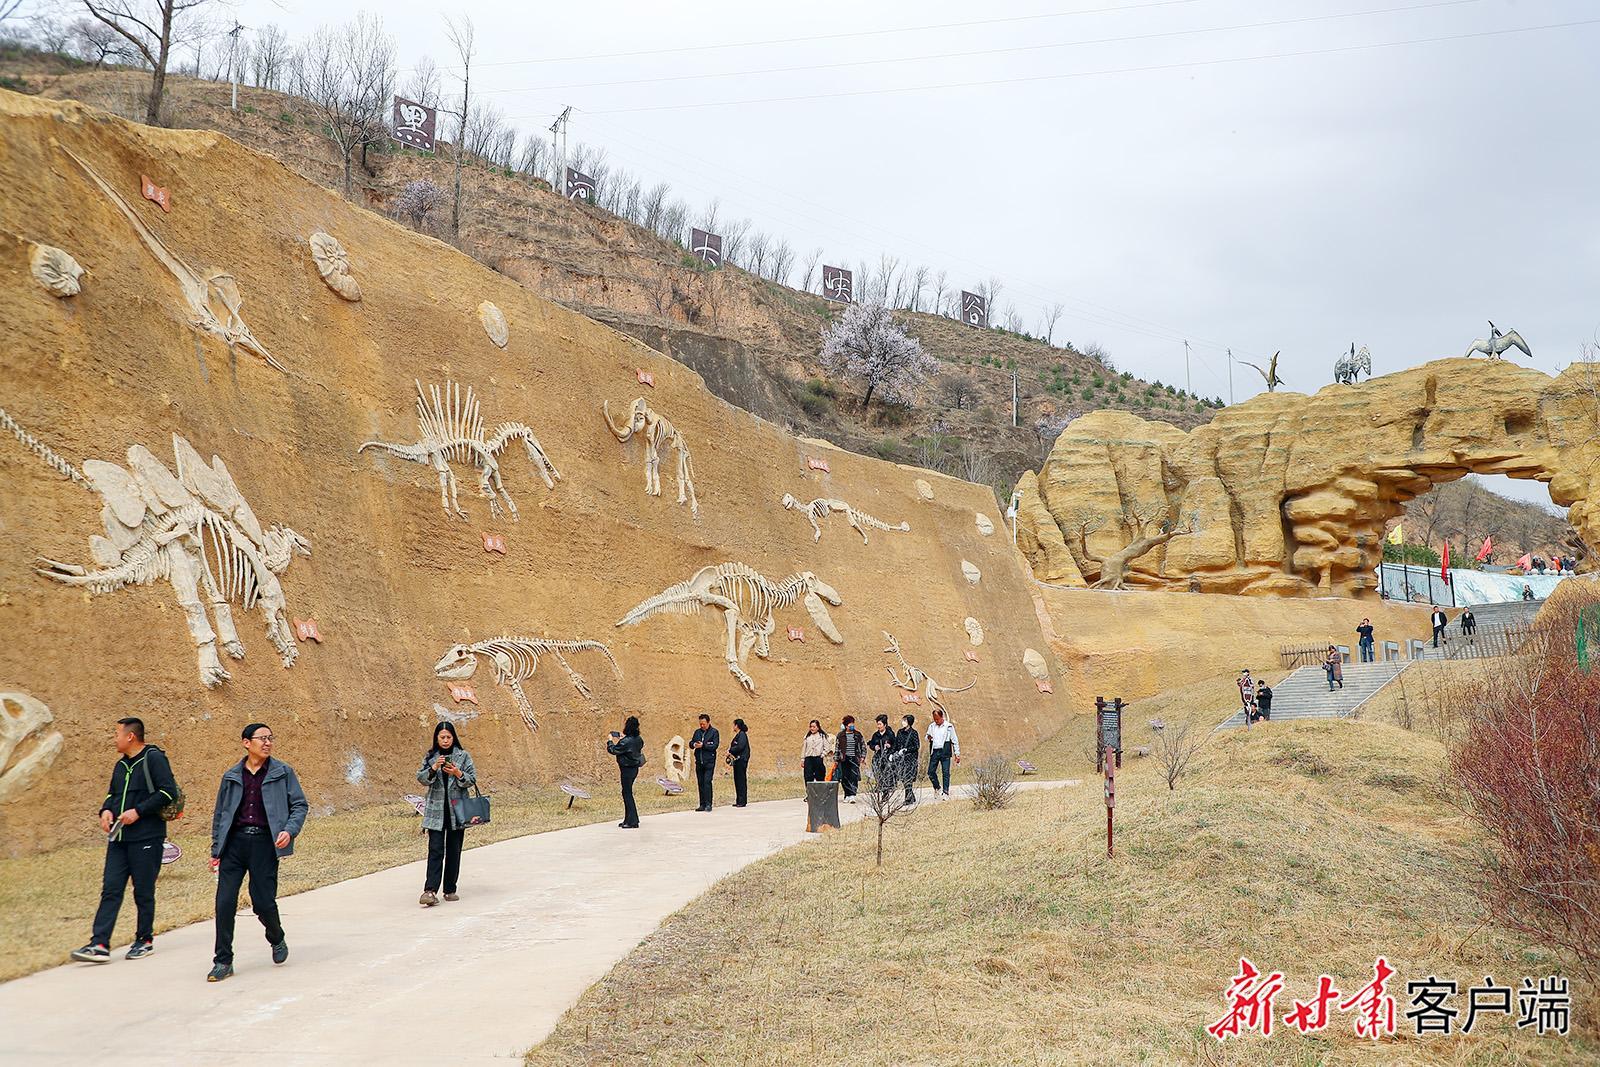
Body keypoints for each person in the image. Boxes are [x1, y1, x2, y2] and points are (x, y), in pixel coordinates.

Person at [71, 717, 179, 964]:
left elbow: (167, 791)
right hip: (118, 837)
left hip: (147, 836)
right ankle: (99, 943)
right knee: (111, 889)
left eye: (117, 734)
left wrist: (138, 811)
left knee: (143, 890)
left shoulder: (153, 758)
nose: (114, 738)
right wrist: (105, 810)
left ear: (130, 736)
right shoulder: (120, 766)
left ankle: (144, 940)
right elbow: (112, 794)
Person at [208, 723, 308, 983]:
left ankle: (276, 937)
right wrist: (216, 850)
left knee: (262, 902)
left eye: (270, 738)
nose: (267, 743)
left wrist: (289, 830)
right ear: (246, 742)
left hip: (265, 843)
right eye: (262, 738)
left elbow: (299, 805)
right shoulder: (231, 776)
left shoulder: (282, 772)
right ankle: (223, 960)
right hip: (234, 845)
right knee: (224, 902)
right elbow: (220, 815)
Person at [416, 722, 476, 906]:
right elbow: (421, 778)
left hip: (456, 811)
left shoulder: (463, 756)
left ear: (453, 737)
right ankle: (430, 890)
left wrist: (458, 773)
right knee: (435, 850)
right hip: (436, 813)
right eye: (442, 737)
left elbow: (472, 779)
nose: (445, 740)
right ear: (436, 738)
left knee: (454, 851)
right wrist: (434, 768)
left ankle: (450, 889)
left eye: (448, 737)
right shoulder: (430, 757)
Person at [606, 716, 645, 828]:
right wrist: (625, 738)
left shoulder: (626, 741)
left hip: (627, 770)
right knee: (627, 793)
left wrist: (609, 740)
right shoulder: (638, 739)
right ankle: (628, 819)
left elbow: (613, 750)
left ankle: (633, 821)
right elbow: (638, 745)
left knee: (627, 794)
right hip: (634, 769)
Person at [925, 708, 960, 798]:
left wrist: (957, 753)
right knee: (930, 772)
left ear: (942, 717)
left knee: (946, 772)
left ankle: (946, 792)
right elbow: (927, 737)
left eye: (937, 719)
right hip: (935, 751)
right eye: (934, 719)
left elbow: (954, 740)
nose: (936, 721)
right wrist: (928, 737)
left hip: (945, 751)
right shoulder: (932, 726)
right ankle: (937, 787)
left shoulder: (948, 726)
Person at [833, 715, 866, 802]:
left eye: (852, 724)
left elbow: (863, 746)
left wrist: (862, 756)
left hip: (854, 758)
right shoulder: (841, 735)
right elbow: (837, 747)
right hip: (844, 759)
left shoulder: (858, 735)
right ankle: (847, 794)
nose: (852, 726)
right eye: (850, 724)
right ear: (846, 726)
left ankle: (852, 794)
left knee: (853, 776)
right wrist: (836, 759)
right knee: (844, 777)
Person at [690, 714, 719, 811]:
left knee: (707, 782)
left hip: (709, 762)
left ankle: (708, 804)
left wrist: (703, 745)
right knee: (700, 782)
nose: (702, 726)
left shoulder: (714, 732)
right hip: (699, 761)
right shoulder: (697, 732)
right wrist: (694, 744)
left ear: (708, 722)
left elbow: (714, 746)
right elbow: (691, 743)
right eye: (700, 724)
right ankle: (702, 804)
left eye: (703, 724)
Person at [894, 714, 920, 804]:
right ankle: (911, 796)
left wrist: (906, 750)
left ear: (909, 722)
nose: (903, 722)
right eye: (903, 720)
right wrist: (894, 753)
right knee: (904, 778)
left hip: (910, 759)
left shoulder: (914, 733)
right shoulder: (900, 732)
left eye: (905, 720)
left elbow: (916, 746)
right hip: (901, 759)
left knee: (907, 778)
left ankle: (908, 799)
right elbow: (896, 744)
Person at [867, 714, 897, 791]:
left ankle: (887, 787)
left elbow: (895, 744)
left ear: (885, 725)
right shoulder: (875, 735)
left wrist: (890, 746)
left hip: (887, 756)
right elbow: (871, 744)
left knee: (887, 772)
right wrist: (874, 747)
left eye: (880, 724)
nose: (878, 726)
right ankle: (879, 785)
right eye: (877, 724)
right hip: (878, 756)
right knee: (877, 771)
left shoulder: (890, 734)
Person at [727, 718, 751, 807]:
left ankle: (742, 801)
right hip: (737, 761)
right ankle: (739, 800)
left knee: (741, 780)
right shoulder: (738, 735)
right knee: (737, 780)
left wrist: (730, 750)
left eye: (734, 725)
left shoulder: (742, 735)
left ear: (737, 725)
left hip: (741, 760)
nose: (733, 727)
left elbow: (740, 747)